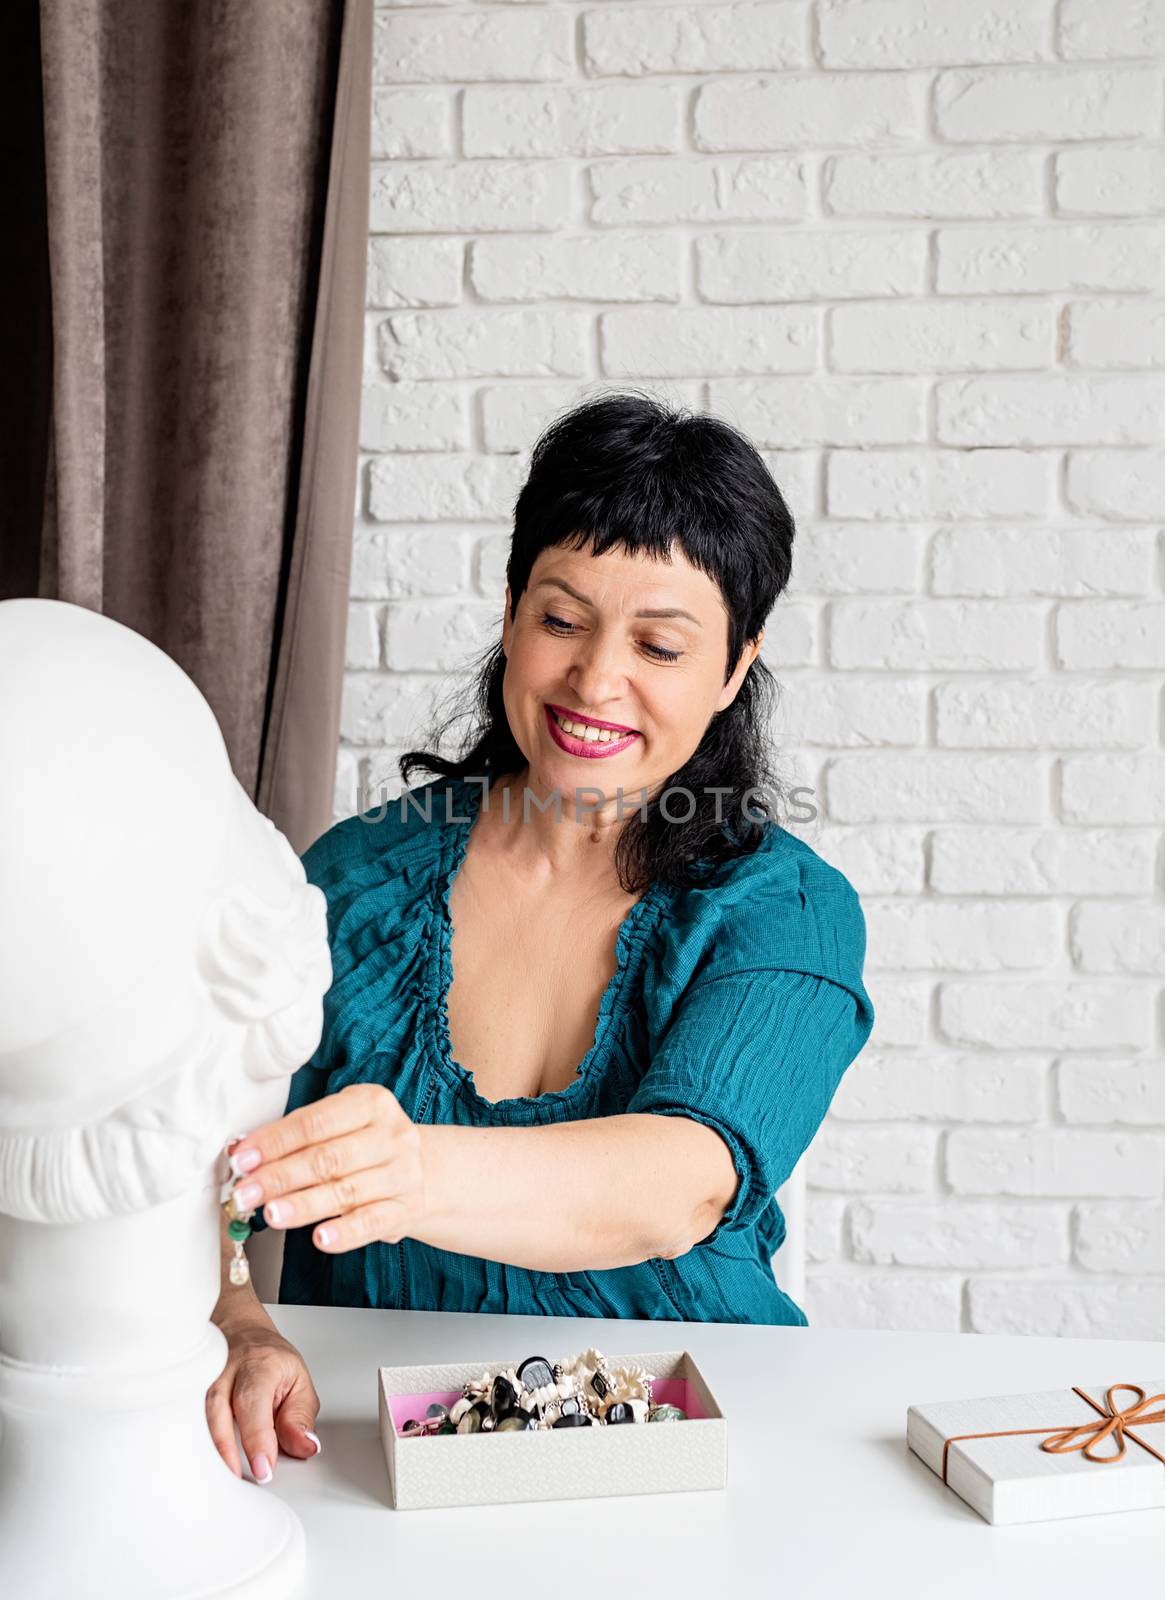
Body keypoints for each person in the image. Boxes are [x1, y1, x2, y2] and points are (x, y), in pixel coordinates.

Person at [206, 391, 875, 1484]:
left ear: (733, 669)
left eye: (659, 644)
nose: (596, 680)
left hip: (695, 1444)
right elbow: (204, 1174)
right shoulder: (350, 879)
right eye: (562, 619)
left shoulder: (783, 909)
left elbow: (679, 1186)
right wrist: (239, 1320)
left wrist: (405, 1170)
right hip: (369, 1455)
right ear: (513, 610)